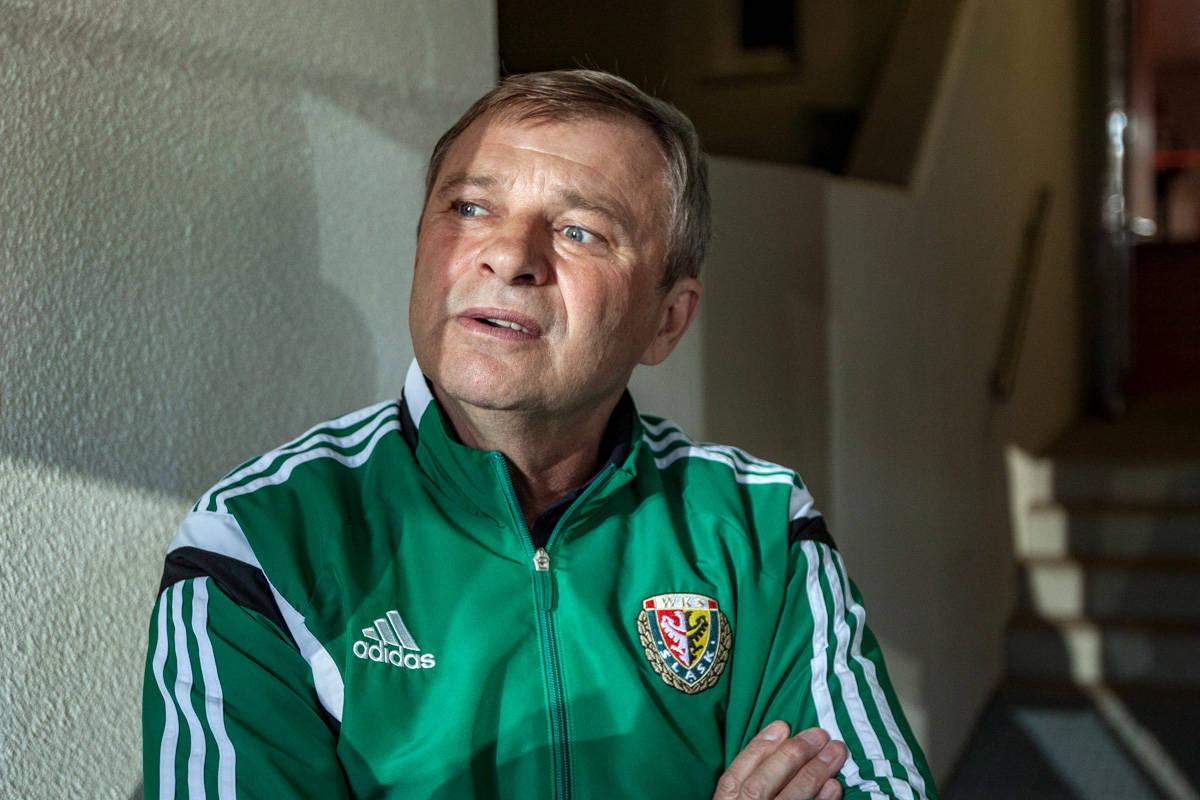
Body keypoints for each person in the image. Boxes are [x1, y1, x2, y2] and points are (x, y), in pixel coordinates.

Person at [143, 69, 937, 800]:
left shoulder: (759, 524)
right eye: (470, 207)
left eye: (580, 231)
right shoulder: (256, 542)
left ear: (666, 320)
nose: (508, 256)